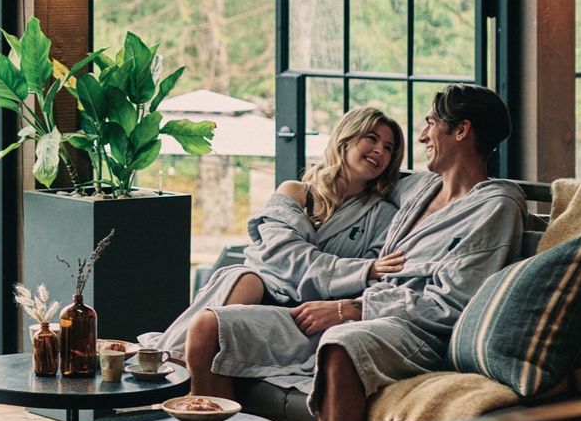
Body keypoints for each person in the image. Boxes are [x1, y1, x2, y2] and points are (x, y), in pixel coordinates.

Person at [183, 84, 526, 421]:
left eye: (430, 123)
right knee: (210, 328)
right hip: (358, 314)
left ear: (461, 130)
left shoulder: (495, 207)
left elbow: (450, 304)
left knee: (343, 341)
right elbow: (356, 173)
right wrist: (295, 196)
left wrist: (352, 308)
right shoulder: (419, 188)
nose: (423, 136)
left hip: (413, 331)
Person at [137, 106, 407, 362]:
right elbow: (281, 255)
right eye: (371, 139)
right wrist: (363, 268)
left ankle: (172, 370)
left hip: (310, 309)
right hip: (263, 287)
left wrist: (360, 274)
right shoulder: (295, 193)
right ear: (345, 140)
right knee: (244, 278)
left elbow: (375, 278)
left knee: (245, 281)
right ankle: (181, 369)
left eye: (388, 148)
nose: (379, 151)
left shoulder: (383, 216)